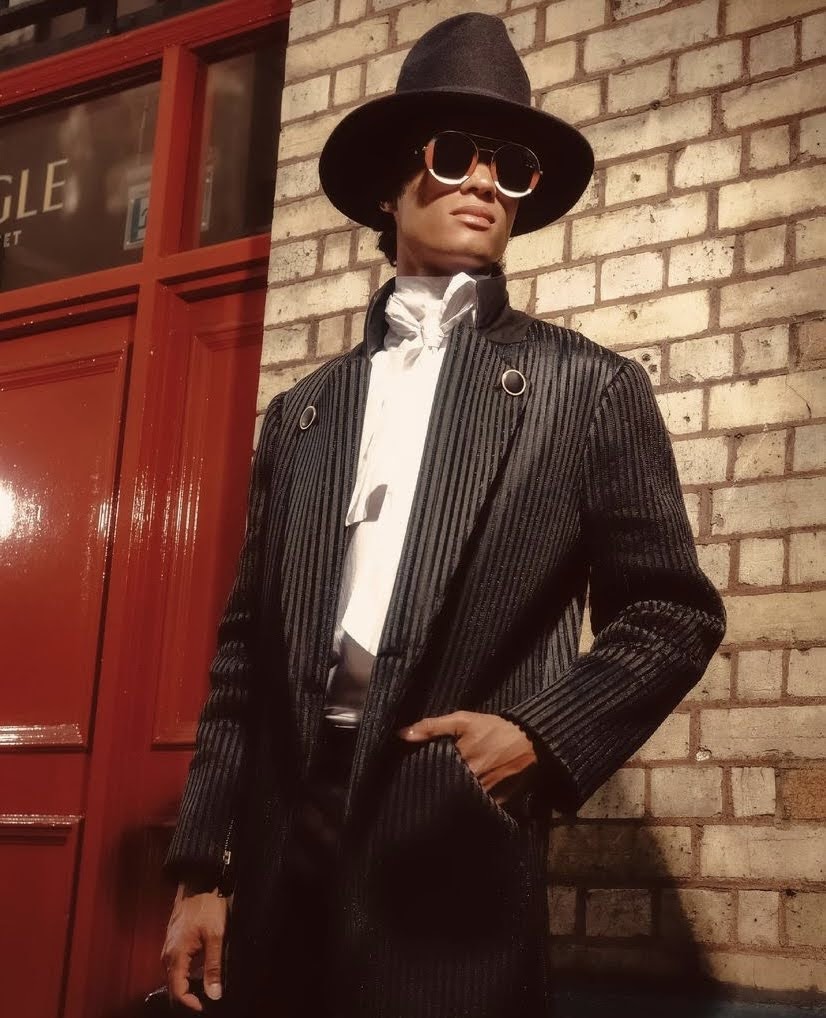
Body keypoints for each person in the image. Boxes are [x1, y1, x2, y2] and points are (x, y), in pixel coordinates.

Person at [161, 13, 727, 1018]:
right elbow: (246, 652)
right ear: (390, 185)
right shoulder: (302, 413)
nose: (485, 182)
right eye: (457, 153)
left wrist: (538, 738)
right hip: (282, 850)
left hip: (448, 851)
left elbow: (671, 613)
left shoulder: (586, 387)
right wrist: (204, 866)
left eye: (511, 167)